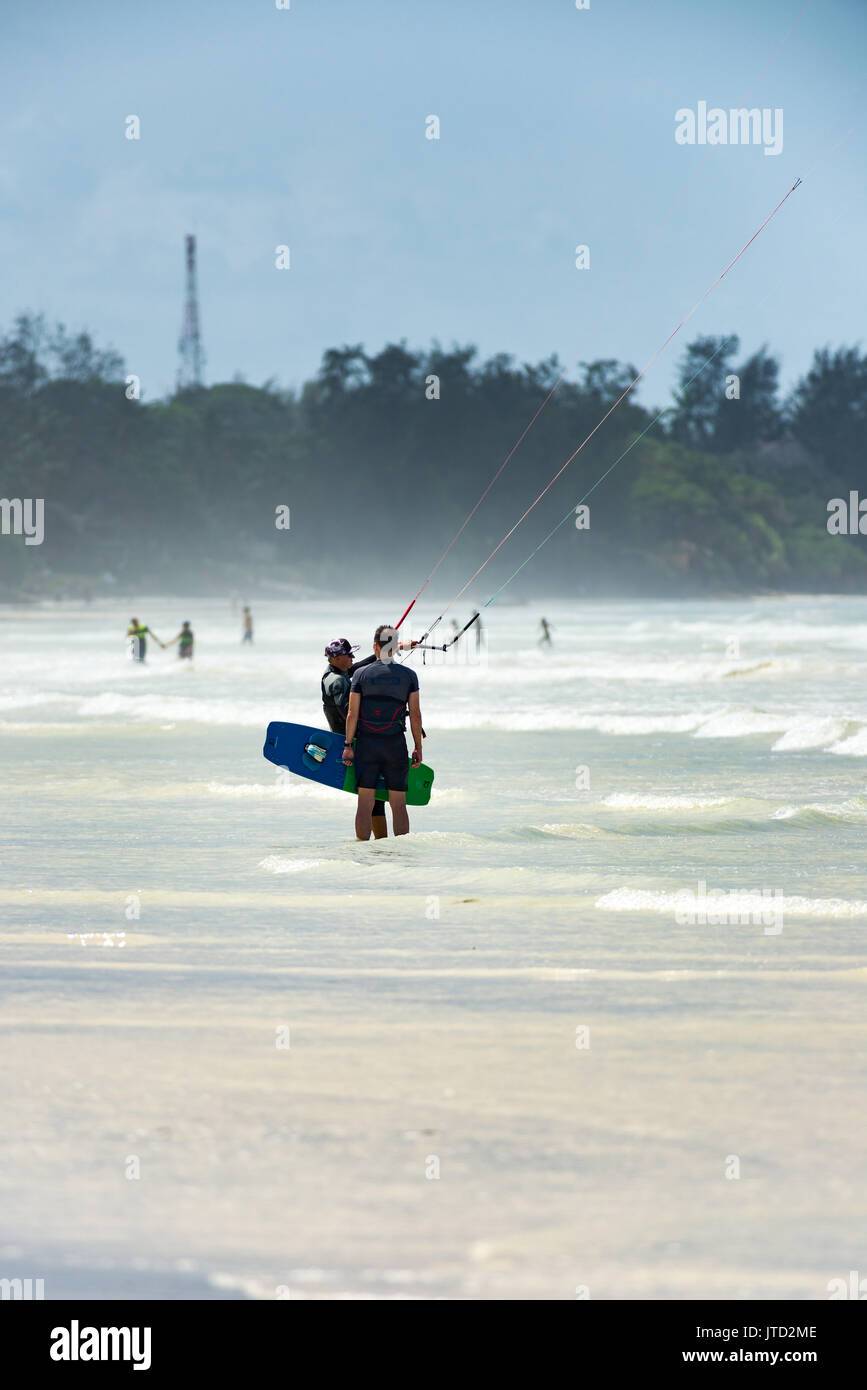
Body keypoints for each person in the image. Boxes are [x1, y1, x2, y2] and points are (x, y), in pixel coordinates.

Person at [322, 634, 416, 839]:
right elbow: (351, 712)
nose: (353, 659)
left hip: (358, 741)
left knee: (374, 797)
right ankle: (377, 843)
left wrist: (394, 648)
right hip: (353, 741)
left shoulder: (336, 674)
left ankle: (375, 845)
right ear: (337, 658)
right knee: (374, 798)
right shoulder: (338, 682)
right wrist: (389, 709)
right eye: (349, 655)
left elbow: (359, 671)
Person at [343, 625, 424, 840]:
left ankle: (362, 851)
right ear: (395, 646)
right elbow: (415, 714)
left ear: (375, 646)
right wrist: (418, 747)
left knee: (365, 803)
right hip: (395, 745)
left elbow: (352, 713)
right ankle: (401, 854)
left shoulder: (360, 674)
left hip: (367, 745)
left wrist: (348, 746)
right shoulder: (409, 676)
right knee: (398, 804)